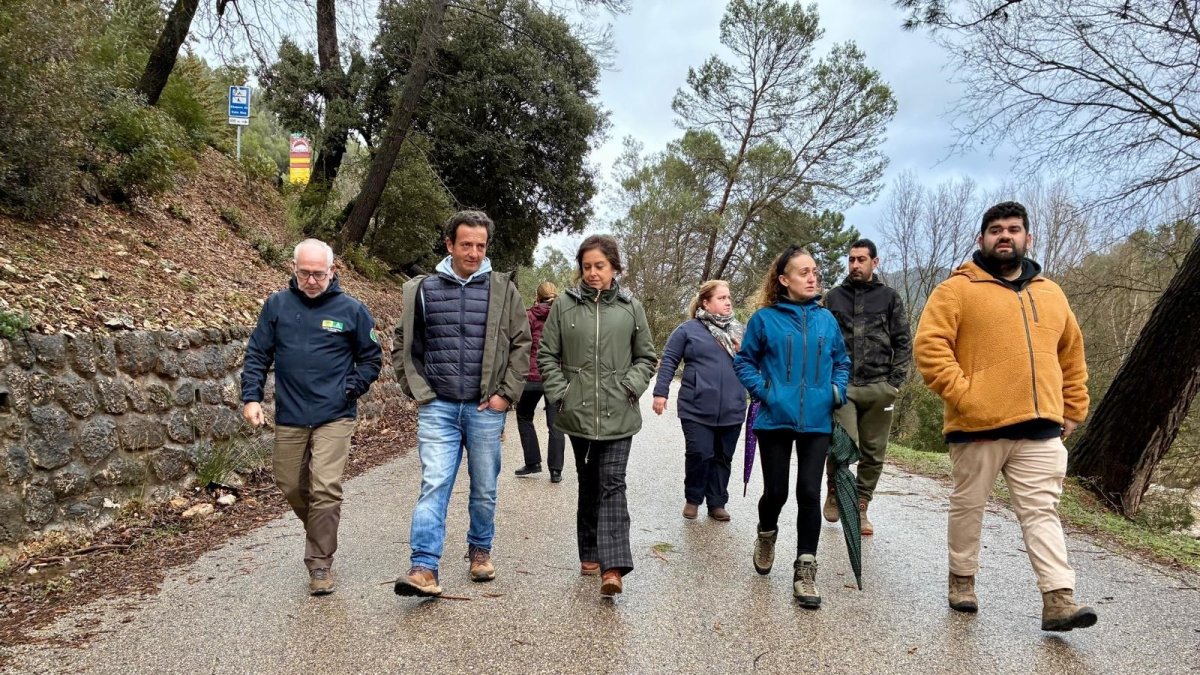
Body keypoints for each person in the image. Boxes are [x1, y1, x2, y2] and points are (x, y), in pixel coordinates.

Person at [915, 201, 1096, 632]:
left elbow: (1072, 353)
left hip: (1041, 429)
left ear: (1027, 238)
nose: (1005, 236)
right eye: (995, 229)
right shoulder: (956, 290)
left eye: (1013, 229)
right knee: (968, 507)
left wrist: (1073, 408)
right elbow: (930, 348)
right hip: (978, 428)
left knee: (1041, 511)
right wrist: (968, 398)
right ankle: (962, 580)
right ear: (981, 239)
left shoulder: (1052, 293)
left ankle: (1058, 598)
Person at [391, 210, 531, 598]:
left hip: (487, 407)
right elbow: (403, 346)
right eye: (465, 244)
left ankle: (480, 550)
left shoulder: (504, 290)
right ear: (449, 244)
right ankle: (423, 567)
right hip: (438, 407)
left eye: (480, 245)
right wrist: (418, 391)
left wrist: (506, 394)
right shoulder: (421, 289)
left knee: (484, 487)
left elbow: (522, 345)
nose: (473, 252)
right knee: (434, 483)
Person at [240, 238, 383, 596]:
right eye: (305, 273)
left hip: (334, 414)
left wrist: (349, 389)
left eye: (319, 273)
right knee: (289, 483)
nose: (312, 280)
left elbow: (371, 359)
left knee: (325, 487)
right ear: (294, 269)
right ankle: (321, 529)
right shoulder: (277, 305)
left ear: (332, 271)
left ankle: (320, 564)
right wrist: (251, 398)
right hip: (290, 413)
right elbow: (258, 354)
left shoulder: (352, 310)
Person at [537, 235, 657, 597]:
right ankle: (588, 551)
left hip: (620, 413)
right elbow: (547, 356)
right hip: (579, 415)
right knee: (589, 483)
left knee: (612, 483)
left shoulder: (631, 307)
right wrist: (563, 394)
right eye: (587, 266)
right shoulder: (564, 306)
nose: (592, 273)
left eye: (599, 266)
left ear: (614, 268)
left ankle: (613, 566)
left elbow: (646, 357)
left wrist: (629, 388)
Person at [733, 245, 849, 609]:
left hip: (817, 420)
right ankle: (766, 534)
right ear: (784, 280)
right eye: (803, 272)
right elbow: (744, 362)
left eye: (814, 270)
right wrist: (766, 391)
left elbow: (842, 362)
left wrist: (835, 392)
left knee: (808, 493)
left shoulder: (827, 321)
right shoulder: (764, 320)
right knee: (777, 492)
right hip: (775, 418)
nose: (812, 277)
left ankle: (805, 569)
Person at [821, 238, 912, 536]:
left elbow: (903, 342)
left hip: (879, 386)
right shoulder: (833, 298)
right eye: (851, 259)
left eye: (861, 259)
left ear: (875, 262)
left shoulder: (889, 298)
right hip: (842, 385)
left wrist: (894, 384)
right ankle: (834, 491)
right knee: (842, 445)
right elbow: (822, 340)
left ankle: (861, 507)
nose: (855, 265)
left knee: (874, 452)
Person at [652, 280, 747, 522]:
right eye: (721, 298)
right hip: (696, 407)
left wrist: (745, 352)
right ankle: (693, 498)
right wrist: (660, 393)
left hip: (732, 407)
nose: (728, 302)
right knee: (699, 453)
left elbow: (756, 365)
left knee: (723, 456)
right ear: (706, 302)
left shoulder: (739, 332)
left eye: (729, 298)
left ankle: (717, 503)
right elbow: (669, 360)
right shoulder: (688, 330)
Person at [513, 282, 567, 482]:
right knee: (556, 423)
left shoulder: (529, 316)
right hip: (555, 375)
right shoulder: (563, 316)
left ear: (537, 296)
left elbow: (520, 344)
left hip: (532, 376)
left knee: (524, 416)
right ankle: (556, 471)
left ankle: (533, 462)